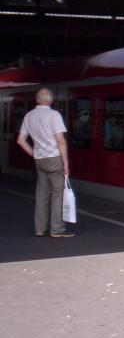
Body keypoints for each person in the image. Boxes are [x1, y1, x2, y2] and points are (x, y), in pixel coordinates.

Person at [16, 88, 73, 238]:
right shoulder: (54, 115)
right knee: (57, 194)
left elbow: (20, 141)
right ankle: (57, 229)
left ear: (37, 100)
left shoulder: (29, 116)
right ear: (51, 100)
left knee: (41, 194)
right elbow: (60, 141)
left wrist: (34, 153)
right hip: (54, 158)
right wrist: (65, 163)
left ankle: (40, 229)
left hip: (39, 160)